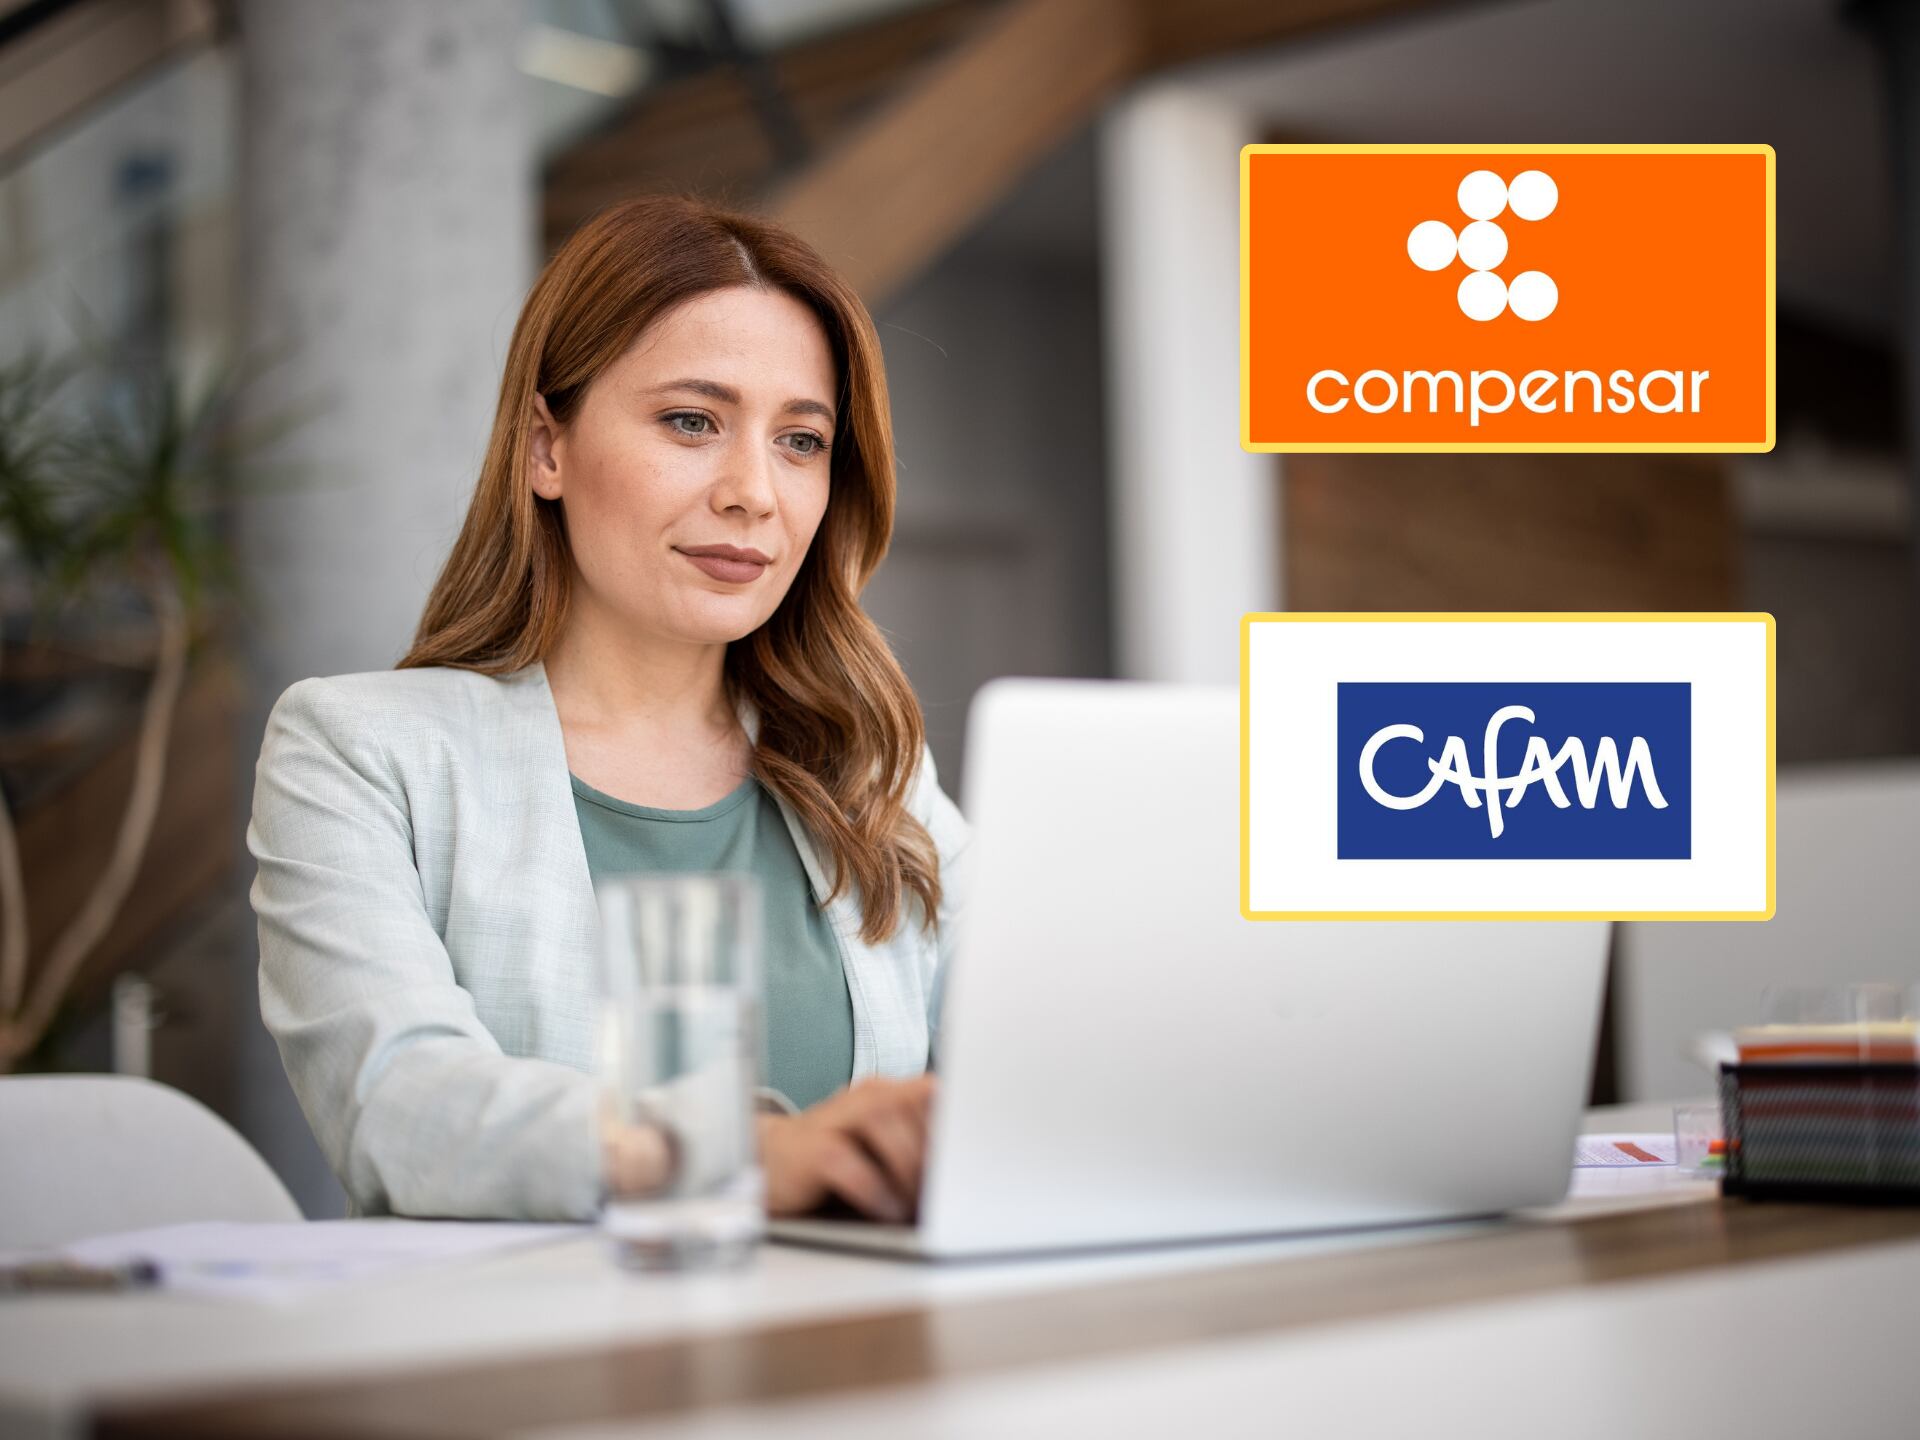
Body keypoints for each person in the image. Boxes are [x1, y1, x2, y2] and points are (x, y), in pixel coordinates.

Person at [247, 195, 968, 1223]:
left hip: (861, 1318)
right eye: (692, 421)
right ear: (547, 447)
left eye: (802, 440)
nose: (754, 492)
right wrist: (748, 1153)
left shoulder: (869, 771)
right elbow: (399, 1105)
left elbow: (1038, 1044)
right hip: (531, 1326)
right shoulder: (360, 752)